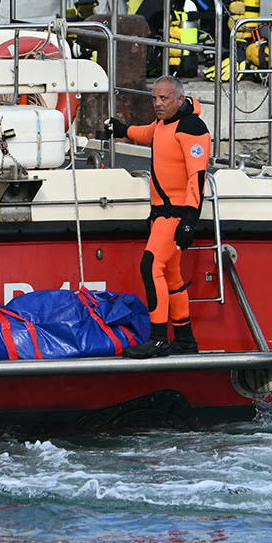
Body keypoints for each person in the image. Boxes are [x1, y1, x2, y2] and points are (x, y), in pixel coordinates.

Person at [105, 77, 211, 358]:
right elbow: (145, 133)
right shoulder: (163, 124)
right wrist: (121, 129)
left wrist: (190, 219)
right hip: (160, 215)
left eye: (164, 99)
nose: (157, 104)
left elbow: (196, 178)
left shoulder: (192, 128)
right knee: (173, 278)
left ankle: (159, 338)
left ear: (179, 99)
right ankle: (186, 340)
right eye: (154, 99)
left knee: (150, 267)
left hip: (176, 216)